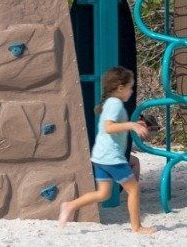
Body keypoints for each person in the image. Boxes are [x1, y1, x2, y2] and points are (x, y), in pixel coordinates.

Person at [57, 67, 156, 234]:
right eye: (130, 87)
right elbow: (109, 127)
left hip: (100, 157)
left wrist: (133, 125)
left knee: (103, 194)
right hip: (111, 157)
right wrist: (132, 125)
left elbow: (113, 126)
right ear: (120, 88)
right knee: (133, 189)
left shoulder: (110, 103)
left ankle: (70, 205)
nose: (131, 91)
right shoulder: (115, 104)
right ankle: (137, 227)